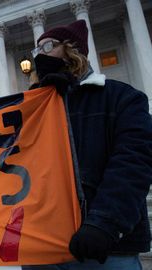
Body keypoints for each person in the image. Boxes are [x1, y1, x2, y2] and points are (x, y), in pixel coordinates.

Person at [23, 20, 152, 269]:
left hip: (103, 247)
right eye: (36, 50)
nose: (40, 55)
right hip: (42, 247)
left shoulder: (122, 98)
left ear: (73, 49)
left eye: (47, 46)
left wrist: (104, 224)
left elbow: (133, 163)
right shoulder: (33, 112)